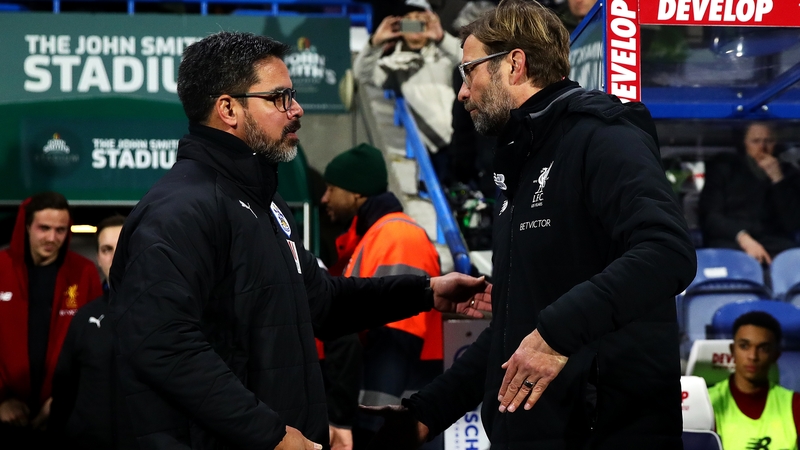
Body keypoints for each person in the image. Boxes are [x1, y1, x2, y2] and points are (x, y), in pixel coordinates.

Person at [108, 30, 490, 450]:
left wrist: (425, 292)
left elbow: (321, 301)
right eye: (280, 98)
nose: (296, 109)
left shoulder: (264, 203)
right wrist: (272, 436)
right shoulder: (179, 209)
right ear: (228, 109)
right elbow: (163, 344)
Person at [363, 1, 697, 448]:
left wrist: (555, 334)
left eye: (469, 72)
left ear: (514, 64)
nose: (462, 93)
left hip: (602, 431)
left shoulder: (603, 134)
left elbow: (667, 252)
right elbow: (517, 333)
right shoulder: (520, 160)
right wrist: (424, 414)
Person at [319, 143, 443, 450]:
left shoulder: (398, 236)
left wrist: (370, 428)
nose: (324, 198)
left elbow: (396, 340)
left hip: (397, 416)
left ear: (357, 193)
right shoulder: (373, 238)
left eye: (331, 188)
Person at [0, 192, 103, 446]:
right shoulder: (1, 267)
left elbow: (95, 346)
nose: (52, 238)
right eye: (44, 228)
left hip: (63, 417)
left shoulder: (84, 272)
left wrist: (64, 399)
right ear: (27, 226)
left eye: (60, 230)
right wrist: (0, 401)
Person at [353, 0, 462, 184]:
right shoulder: (393, 64)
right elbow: (363, 75)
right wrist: (375, 42)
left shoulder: (445, 53)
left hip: (463, 142)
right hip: (434, 150)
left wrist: (441, 36)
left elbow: (468, 60)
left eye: (420, 19)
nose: (414, 25)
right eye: (408, 20)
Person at [50, 214, 127, 448]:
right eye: (107, 249)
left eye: (123, 247)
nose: (115, 257)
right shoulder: (84, 319)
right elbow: (63, 393)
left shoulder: (168, 317)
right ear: (98, 258)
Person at [700, 122, 800, 265]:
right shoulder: (724, 169)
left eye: (768, 141)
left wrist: (778, 181)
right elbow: (711, 217)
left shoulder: (788, 173)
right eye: (755, 141)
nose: (762, 148)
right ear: (744, 143)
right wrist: (743, 238)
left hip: (772, 242)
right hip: (732, 240)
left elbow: (793, 223)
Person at [708, 311, 800, 449]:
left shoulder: (796, 405)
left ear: (775, 355)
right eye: (744, 346)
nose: (752, 356)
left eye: (763, 348)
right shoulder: (708, 403)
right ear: (733, 350)